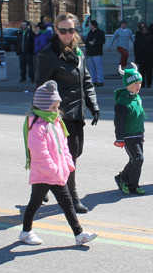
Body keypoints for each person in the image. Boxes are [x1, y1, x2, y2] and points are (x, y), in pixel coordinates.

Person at [36, 13, 100, 213]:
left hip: (77, 112)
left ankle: (42, 184)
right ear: (55, 30)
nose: (66, 34)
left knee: (74, 152)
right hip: (59, 115)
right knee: (69, 155)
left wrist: (93, 105)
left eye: (70, 30)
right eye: (62, 30)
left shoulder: (79, 52)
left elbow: (86, 80)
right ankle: (72, 197)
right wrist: (43, 117)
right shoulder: (48, 54)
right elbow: (41, 87)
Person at [21, 80, 98, 246]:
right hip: (45, 174)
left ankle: (79, 234)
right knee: (34, 203)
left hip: (56, 173)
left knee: (67, 203)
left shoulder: (55, 123)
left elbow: (63, 145)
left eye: (57, 106)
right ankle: (26, 232)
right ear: (42, 107)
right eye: (53, 107)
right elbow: (39, 153)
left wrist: (68, 163)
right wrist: (53, 170)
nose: (57, 110)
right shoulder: (37, 126)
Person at [114, 64, 147, 195]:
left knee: (137, 160)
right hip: (128, 136)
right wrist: (119, 138)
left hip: (138, 134)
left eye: (140, 83)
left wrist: (142, 133)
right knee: (138, 159)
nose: (138, 86)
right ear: (127, 83)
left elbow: (139, 117)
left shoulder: (136, 97)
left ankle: (133, 185)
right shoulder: (122, 101)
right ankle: (122, 178)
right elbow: (119, 122)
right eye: (135, 83)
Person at [85, 20, 106, 86]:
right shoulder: (90, 33)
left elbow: (102, 41)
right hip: (90, 53)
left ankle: (100, 81)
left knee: (98, 68)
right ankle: (93, 80)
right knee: (91, 68)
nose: (89, 26)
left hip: (97, 53)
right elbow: (87, 42)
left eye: (90, 25)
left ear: (93, 25)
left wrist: (95, 43)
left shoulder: (100, 33)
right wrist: (87, 47)